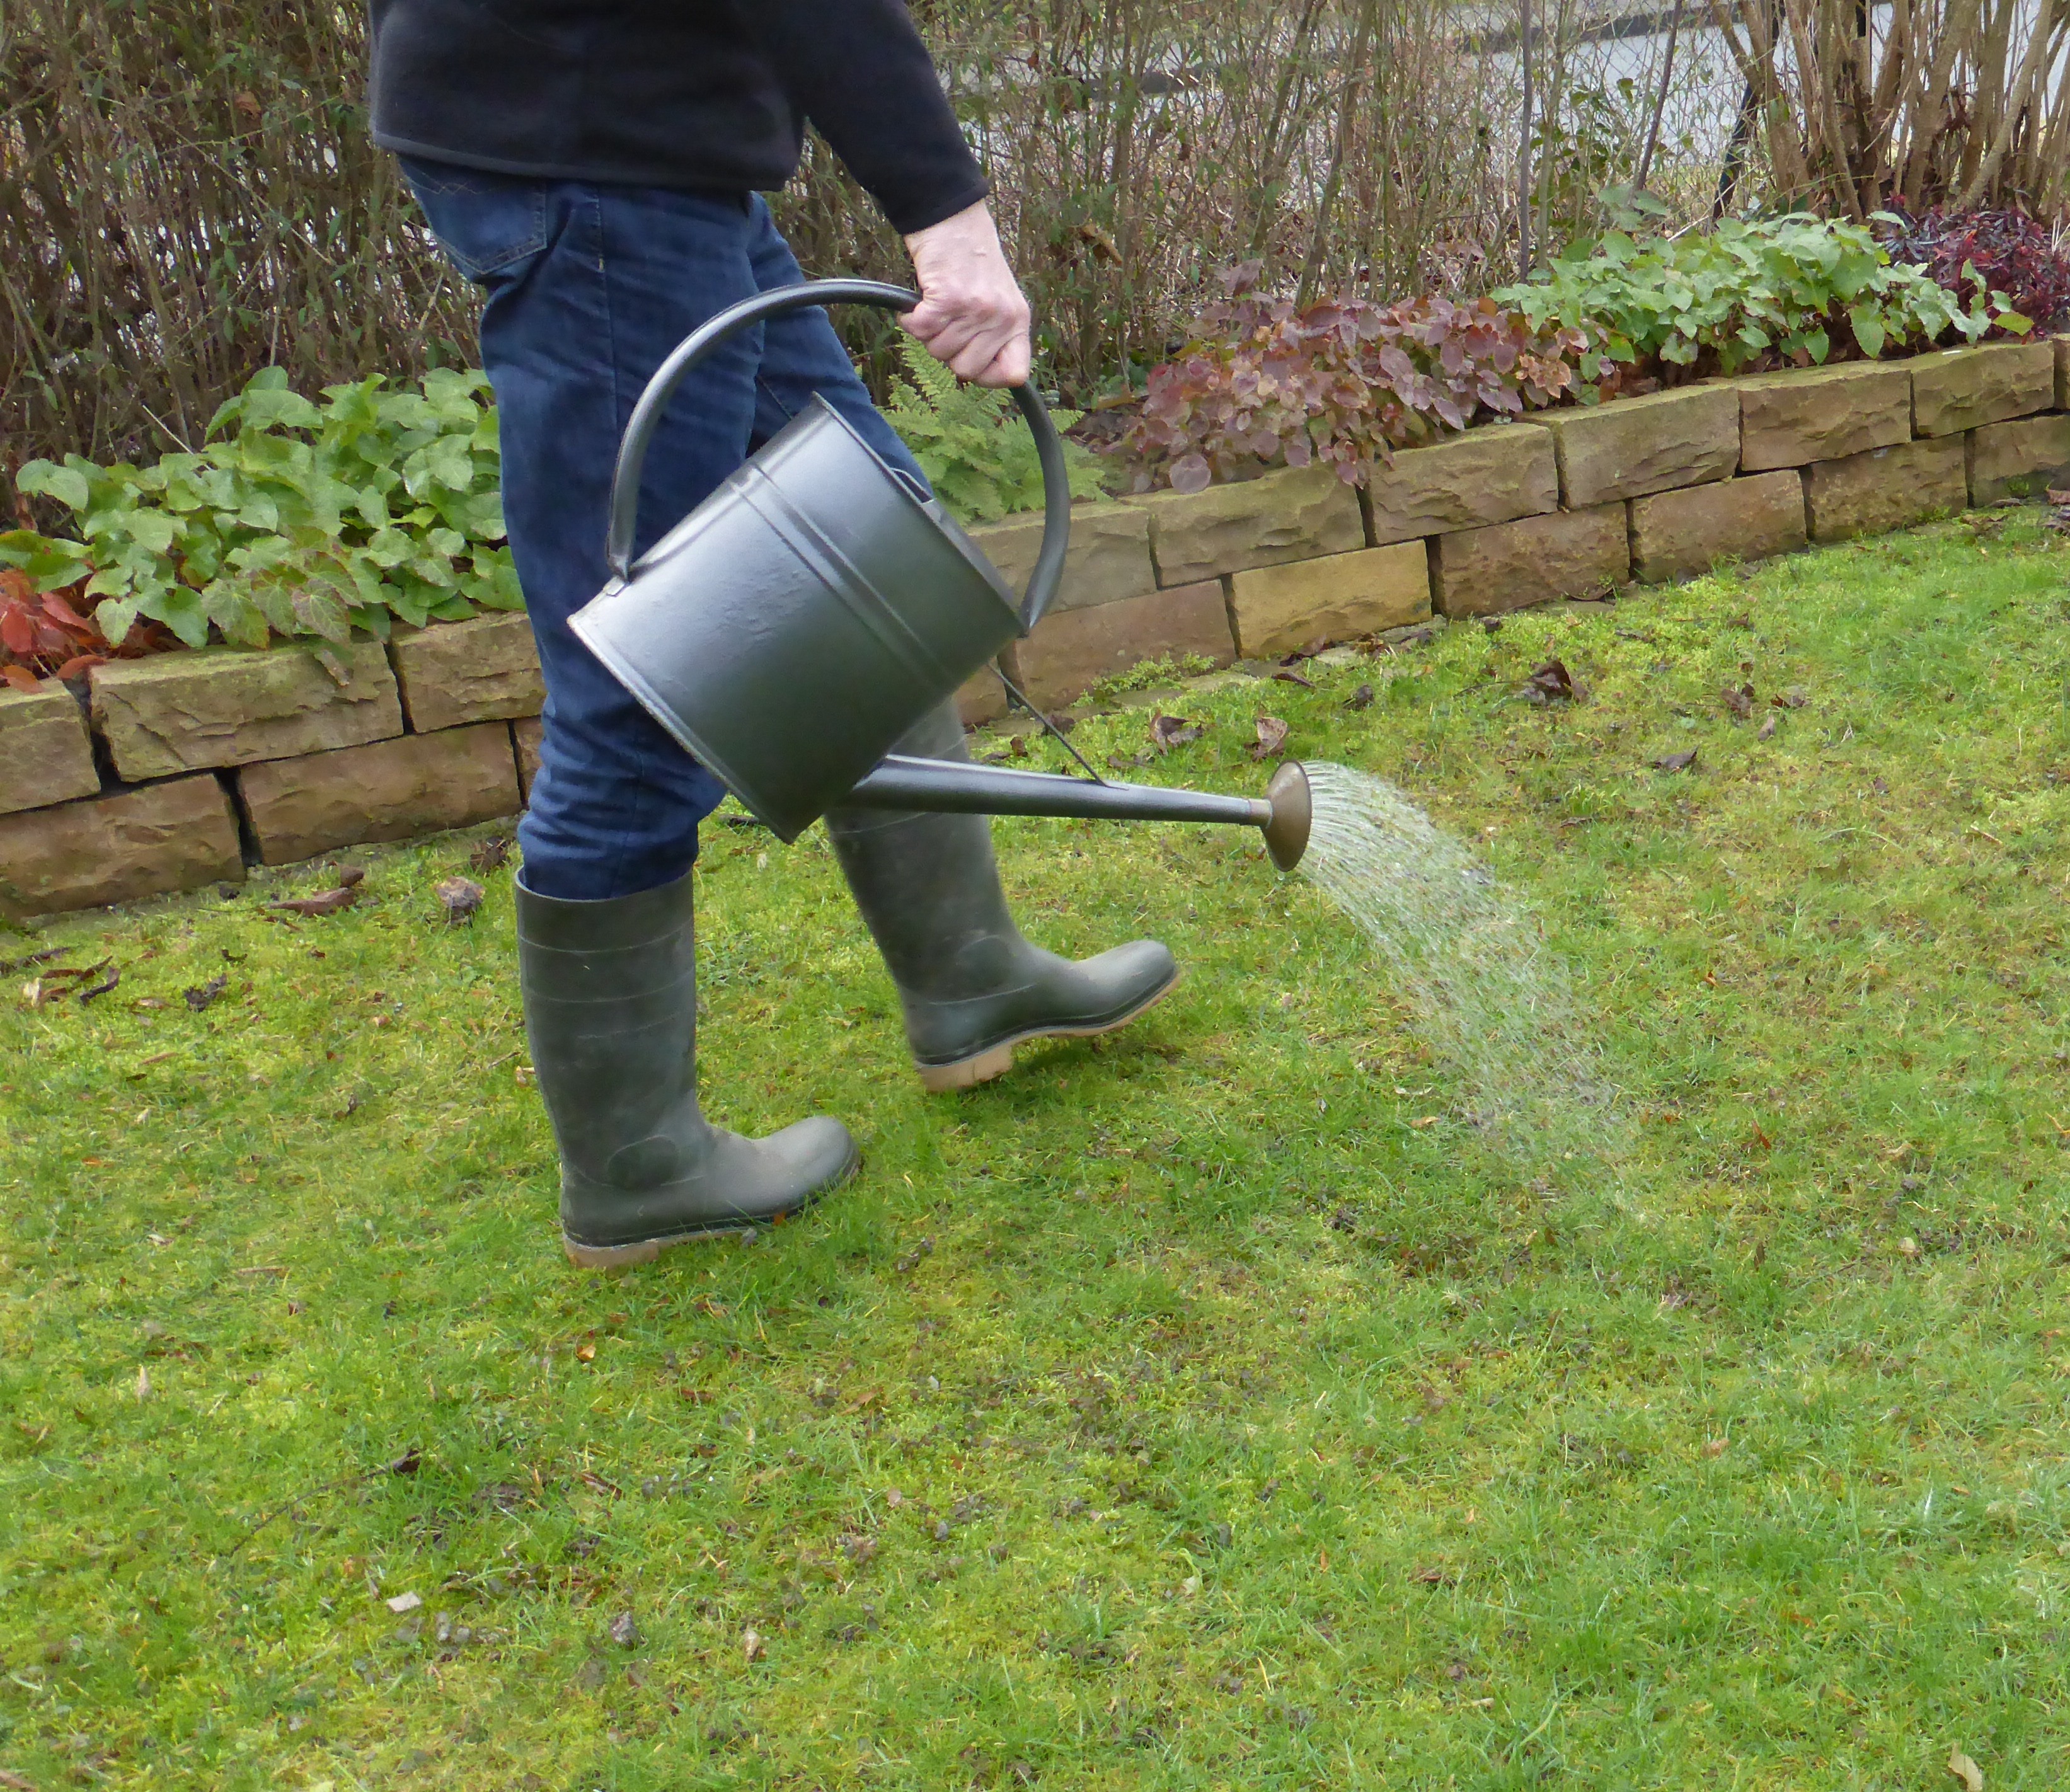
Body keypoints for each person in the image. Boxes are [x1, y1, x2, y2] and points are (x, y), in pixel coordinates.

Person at [365, 0, 1180, 1266]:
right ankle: (638, 1168)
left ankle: (970, 981)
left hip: (635, 144)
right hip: (596, 165)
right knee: (641, 673)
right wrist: (948, 219)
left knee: (854, 551)